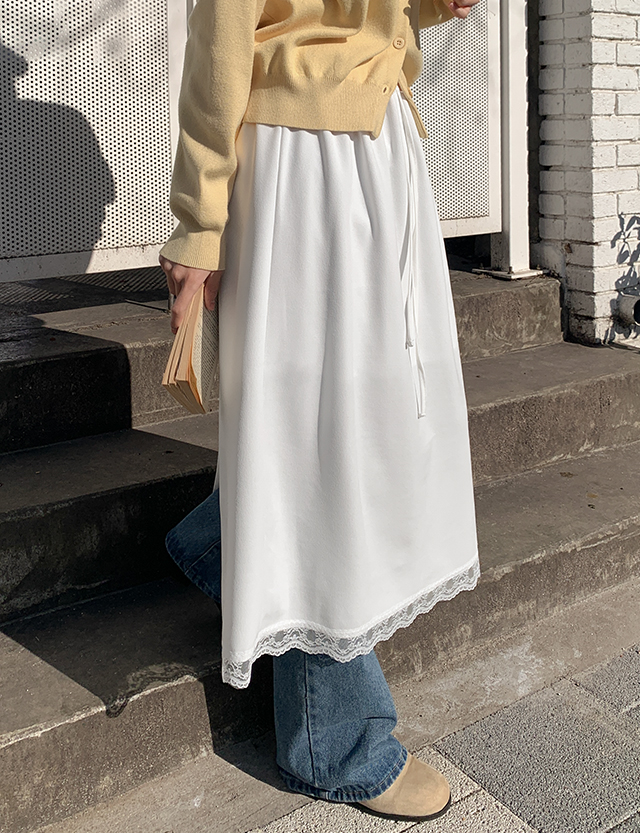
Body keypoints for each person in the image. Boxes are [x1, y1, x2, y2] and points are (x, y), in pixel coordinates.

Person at [159, 0, 480, 821]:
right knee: (321, 442)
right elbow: (223, 38)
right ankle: (332, 740)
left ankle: (220, 543)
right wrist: (199, 222)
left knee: (369, 431)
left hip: (382, 148)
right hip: (302, 169)